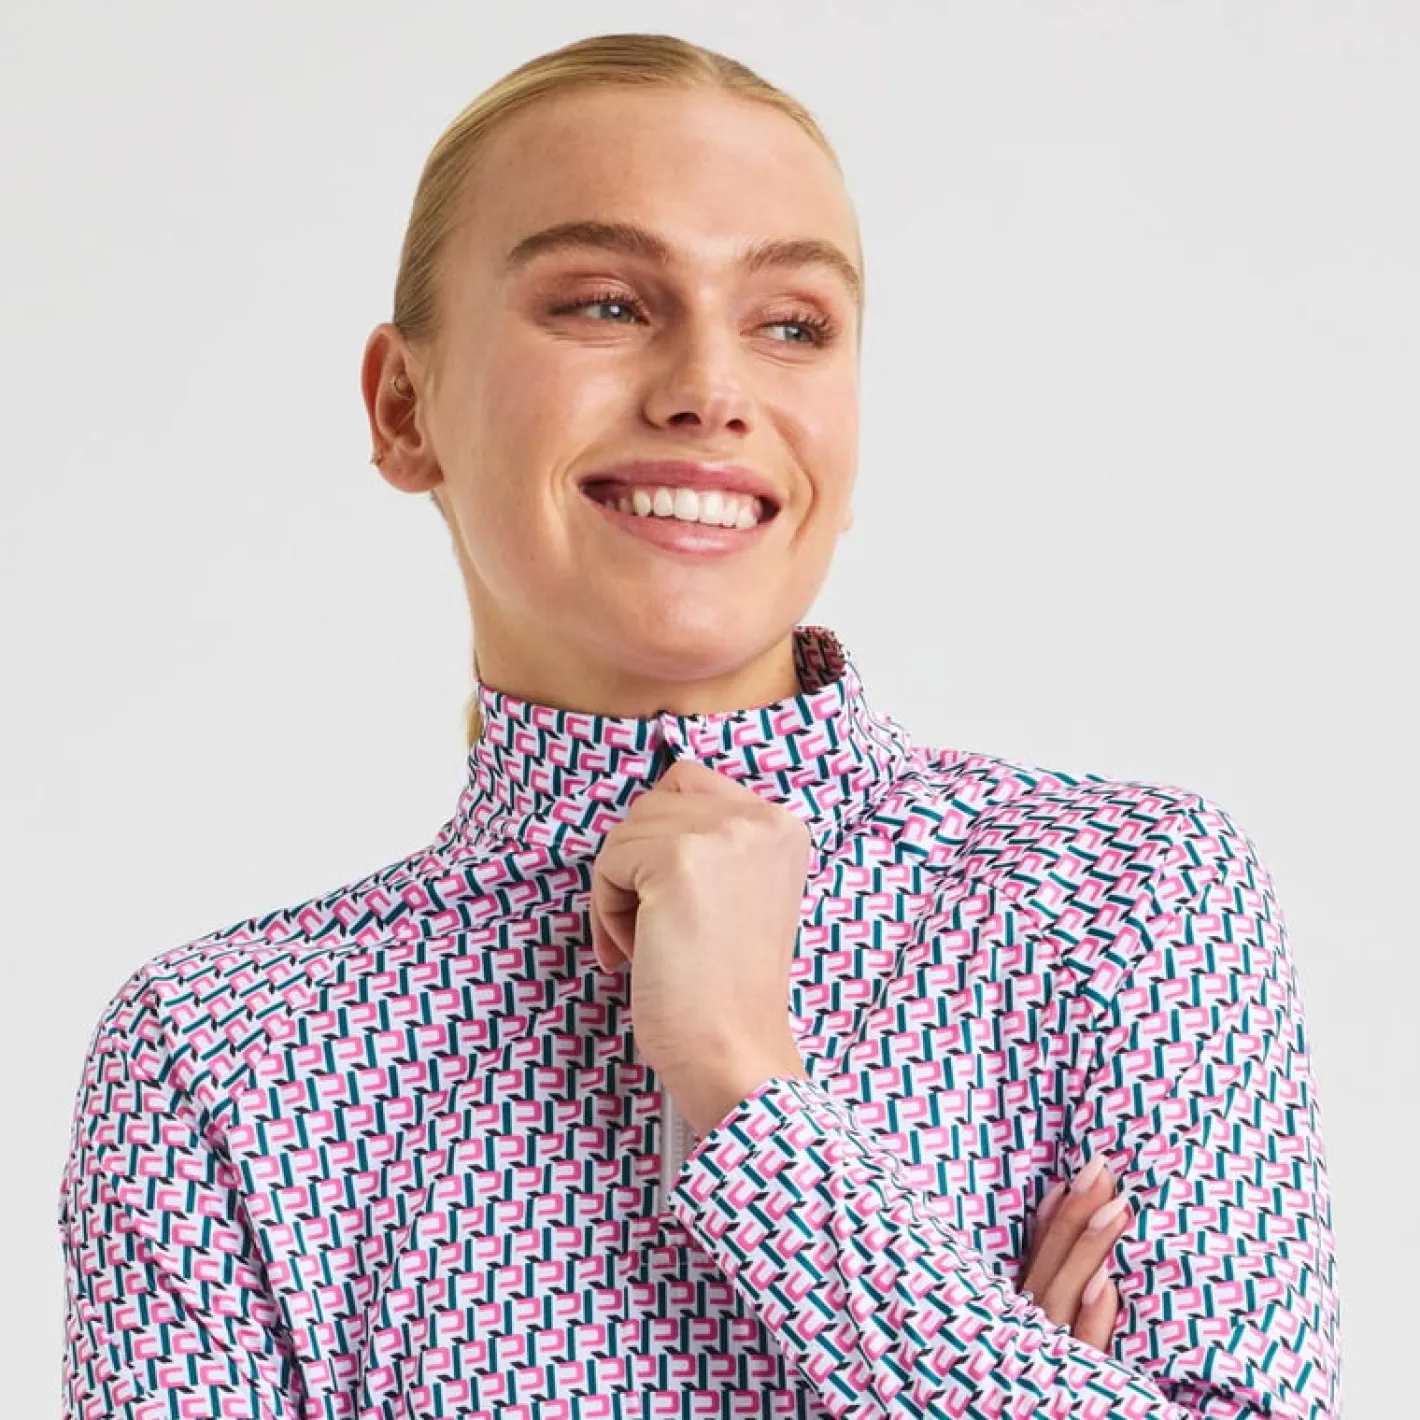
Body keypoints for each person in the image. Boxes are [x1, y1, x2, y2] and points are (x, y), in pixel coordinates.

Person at [58, 30, 1340, 1420]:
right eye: (607, 303)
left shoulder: (1122, 899)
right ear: (403, 405)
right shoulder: (221, 1056)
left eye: (792, 326)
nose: (711, 391)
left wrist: (742, 1083)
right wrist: (989, 1361)